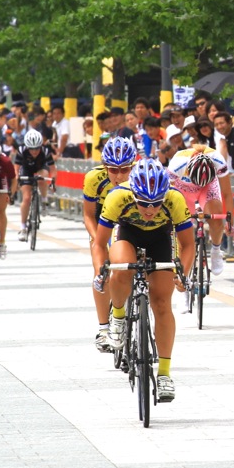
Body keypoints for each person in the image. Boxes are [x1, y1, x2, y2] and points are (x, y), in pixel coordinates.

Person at [91, 159, 195, 402]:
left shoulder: (175, 199)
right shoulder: (118, 196)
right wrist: (100, 271)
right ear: (133, 194)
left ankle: (165, 375)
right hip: (128, 234)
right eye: (143, 203)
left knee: (161, 303)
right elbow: (99, 242)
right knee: (121, 269)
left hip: (160, 239)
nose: (149, 210)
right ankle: (118, 318)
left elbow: (188, 244)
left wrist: (183, 273)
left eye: (156, 204)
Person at [83, 137, 137, 352]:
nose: (119, 175)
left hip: (129, 224)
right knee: (101, 274)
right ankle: (104, 328)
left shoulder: (140, 178)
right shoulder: (94, 178)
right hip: (101, 225)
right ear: (105, 167)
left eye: (124, 169)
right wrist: (99, 240)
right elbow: (87, 215)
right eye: (113, 169)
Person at [167, 145, 234, 279]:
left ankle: (216, 250)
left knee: (216, 219)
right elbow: (169, 197)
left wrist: (230, 222)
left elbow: (227, 193)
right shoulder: (177, 164)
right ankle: (183, 277)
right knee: (182, 231)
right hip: (182, 189)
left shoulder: (218, 160)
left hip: (208, 188)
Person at [14, 130, 57, 241]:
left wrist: (53, 181)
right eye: (31, 149)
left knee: (42, 178)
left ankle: (44, 199)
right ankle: (23, 227)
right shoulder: (21, 150)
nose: (34, 152)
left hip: (41, 168)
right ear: (27, 147)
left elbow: (53, 169)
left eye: (37, 148)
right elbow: (16, 167)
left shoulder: (45, 151)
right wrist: (17, 177)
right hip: (26, 169)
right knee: (27, 198)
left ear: (40, 146)